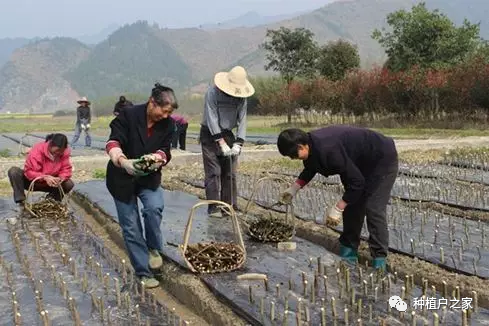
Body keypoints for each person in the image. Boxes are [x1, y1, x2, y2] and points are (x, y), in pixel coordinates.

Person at [277, 126, 398, 271]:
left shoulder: (329, 149)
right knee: (353, 205)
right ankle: (349, 248)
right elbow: (310, 168)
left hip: (381, 159)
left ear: (301, 146)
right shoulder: (312, 145)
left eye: (293, 155)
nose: (293, 159)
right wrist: (294, 189)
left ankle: (379, 259)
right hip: (358, 162)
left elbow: (357, 183)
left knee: (373, 207)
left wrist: (338, 207)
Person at [105, 83, 177, 289]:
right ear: (152, 103)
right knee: (131, 226)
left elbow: (166, 150)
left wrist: (157, 158)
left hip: (148, 177)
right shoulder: (128, 115)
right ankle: (143, 272)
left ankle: (154, 248)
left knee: (154, 208)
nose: (165, 116)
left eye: (169, 113)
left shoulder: (168, 124)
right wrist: (122, 160)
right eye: (163, 111)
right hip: (121, 178)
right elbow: (113, 142)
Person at [200, 66, 255, 218]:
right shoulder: (212, 93)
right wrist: (221, 142)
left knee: (230, 172)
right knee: (214, 172)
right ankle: (214, 207)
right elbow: (211, 118)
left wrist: (239, 142)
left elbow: (243, 119)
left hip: (228, 133)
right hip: (210, 134)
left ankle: (229, 207)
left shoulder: (241, 98)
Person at [7, 133, 74, 211]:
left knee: (69, 184)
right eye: (56, 150)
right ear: (50, 145)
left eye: (61, 151)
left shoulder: (64, 152)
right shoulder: (38, 149)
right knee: (14, 171)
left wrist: (60, 178)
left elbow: (66, 169)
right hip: (33, 182)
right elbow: (29, 172)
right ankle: (21, 201)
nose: (58, 153)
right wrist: (45, 177)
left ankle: (51, 200)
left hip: (51, 184)